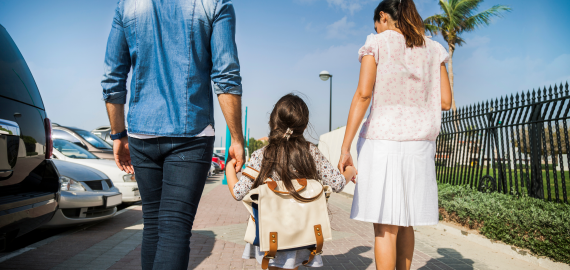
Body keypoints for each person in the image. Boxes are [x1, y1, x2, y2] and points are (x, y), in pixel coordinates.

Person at [101, 1, 244, 269]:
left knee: (153, 226)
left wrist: (118, 134)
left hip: (142, 133)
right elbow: (226, 74)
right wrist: (236, 138)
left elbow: (113, 76)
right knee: (174, 228)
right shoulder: (215, 4)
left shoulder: (127, 5)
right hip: (191, 133)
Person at [336, 0, 453, 269]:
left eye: (376, 25)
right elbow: (445, 101)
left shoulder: (376, 43)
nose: (376, 29)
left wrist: (345, 148)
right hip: (419, 146)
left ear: (383, 18)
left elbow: (364, 94)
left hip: (382, 141)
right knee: (406, 221)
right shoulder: (434, 49)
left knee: (385, 228)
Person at [225, 94, 357, 270]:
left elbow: (238, 192)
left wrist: (229, 166)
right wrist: (351, 170)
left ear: (273, 121)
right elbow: (338, 183)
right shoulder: (311, 152)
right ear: (304, 124)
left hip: (270, 233)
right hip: (302, 233)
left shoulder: (263, 154)